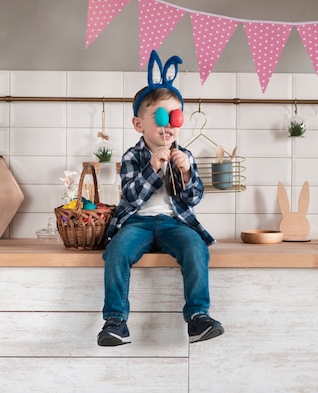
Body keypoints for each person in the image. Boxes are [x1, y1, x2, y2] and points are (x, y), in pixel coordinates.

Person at [97, 50, 223, 346]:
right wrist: (153, 168)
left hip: (174, 223)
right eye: (160, 118)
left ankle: (198, 317)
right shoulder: (133, 156)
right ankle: (115, 320)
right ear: (139, 125)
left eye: (174, 117)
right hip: (137, 223)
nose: (168, 126)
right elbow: (129, 196)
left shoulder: (185, 155)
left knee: (195, 248)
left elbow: (193, 199)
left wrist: (188, 173)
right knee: (116, 252)